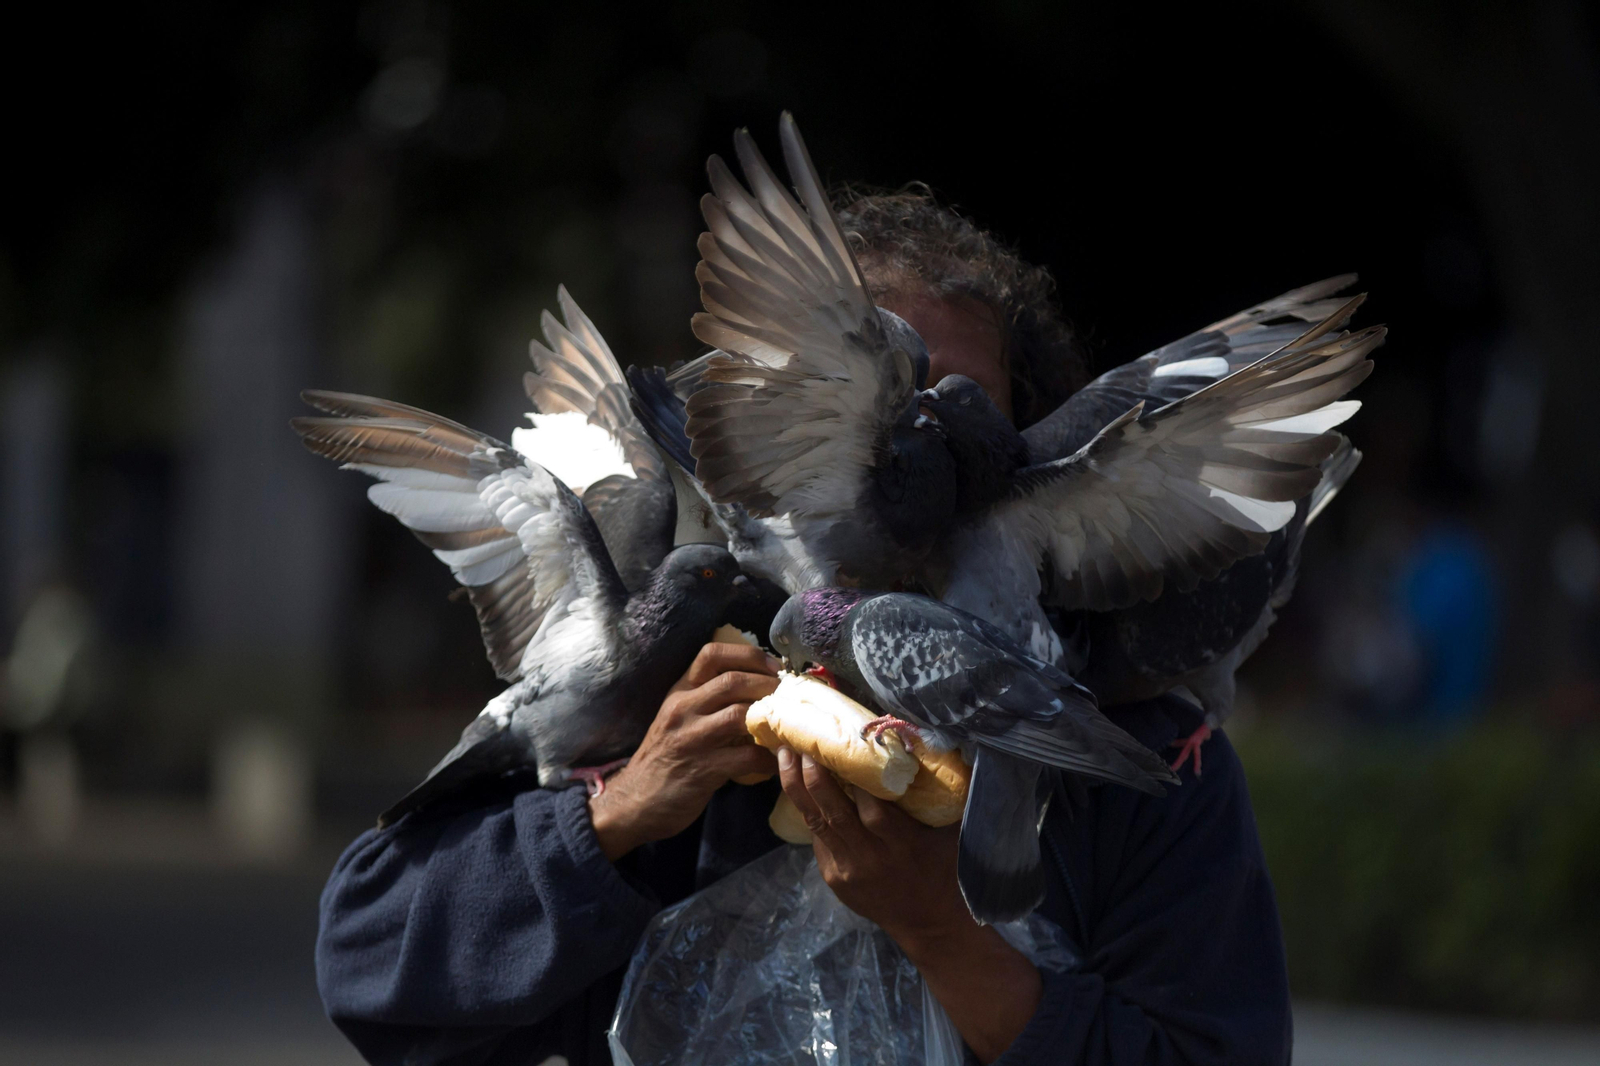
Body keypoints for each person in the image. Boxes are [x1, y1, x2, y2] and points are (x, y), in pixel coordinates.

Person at [315, 190, 1293, 1066]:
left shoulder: (1140, 754)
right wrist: (614, 814)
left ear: (1024, 452)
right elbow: (368, 965)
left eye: (954, 411)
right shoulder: (671, 707)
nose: (908, 446)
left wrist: (940, 929)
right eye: (853, 408)